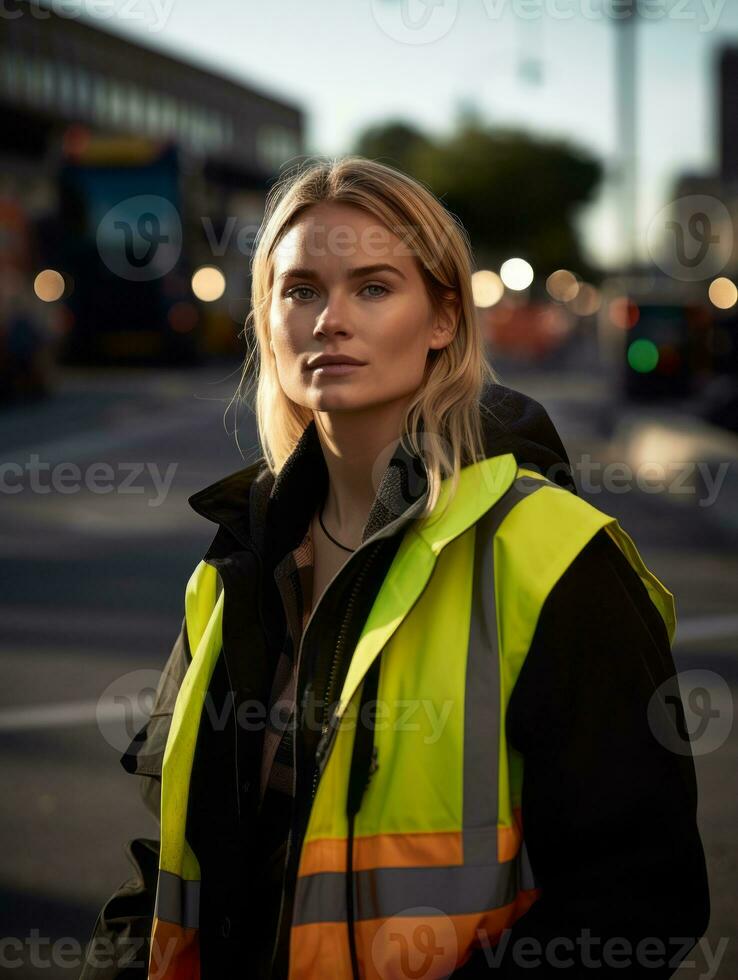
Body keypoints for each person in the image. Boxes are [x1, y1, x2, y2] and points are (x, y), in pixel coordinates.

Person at [81, 157, 710, 980]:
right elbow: (167, 859)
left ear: (444, 318)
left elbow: (643, 898)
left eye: (373, 288)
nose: (328, 320)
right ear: (265, 320)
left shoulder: (553, 555)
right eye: (300, 289)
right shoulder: (236, 563)